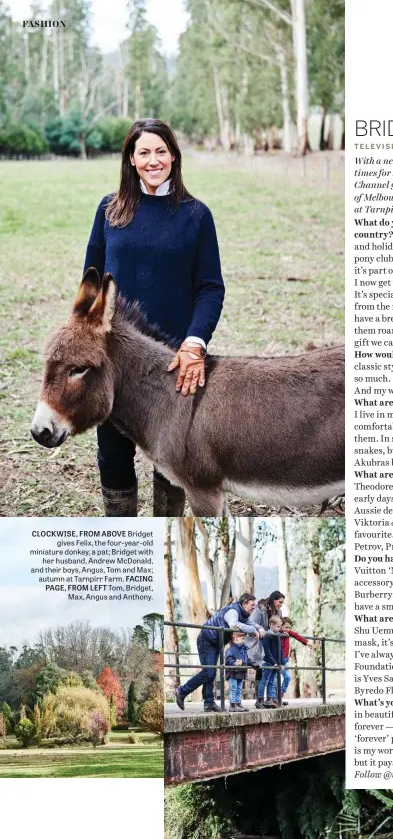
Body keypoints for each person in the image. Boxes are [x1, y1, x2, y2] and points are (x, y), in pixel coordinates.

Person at [83, 118, 225, 517]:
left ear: (174, 156)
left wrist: (195, 343)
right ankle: (123, 538)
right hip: (114, 358)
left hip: (173, 361)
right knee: (112, 456)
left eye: (161, 151)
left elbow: (211, 287)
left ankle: (167, 538)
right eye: (143, 152)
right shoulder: (109, 210)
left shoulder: (195, 215)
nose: (153, 160)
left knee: (173, 462)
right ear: (130, 158)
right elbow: (91, 279)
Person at [175, 593, 264, 713]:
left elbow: (251, 623)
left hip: (216, 642)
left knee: (211, 672)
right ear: (244, 604)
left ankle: (209, 703)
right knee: (208, 671)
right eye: (252, 605)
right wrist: (252, 630)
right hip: (207, 640)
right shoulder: (233, 611)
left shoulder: (244, 614)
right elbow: (234, 624)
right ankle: (182, 691)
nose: (254, 607)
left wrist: (260, 628)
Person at [256, 615, 285, 709]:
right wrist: (274, 663)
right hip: (268, 662)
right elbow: (267, 652)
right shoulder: (267, 635)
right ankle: (260, 700)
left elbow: (280, 650)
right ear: (271, 625)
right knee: (264, 680)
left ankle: (269, 699)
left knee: (272, 681)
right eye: (278, 626)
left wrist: (282, 663)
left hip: (276, 663)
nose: (280, 628)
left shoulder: (277, 635)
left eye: (280, 626)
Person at [279, 617, 313, 698]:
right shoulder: (278, 634)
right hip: (277, 660)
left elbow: (297, 636)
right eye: (286, 627)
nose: (288, 629)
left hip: (284, 660)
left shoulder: (289, 633)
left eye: (289, 627)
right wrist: (281, 633)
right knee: (276, 679)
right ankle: (274, 697)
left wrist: (306, 642)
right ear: (281, 627)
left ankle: (280, 695)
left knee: (287, 677)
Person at [225, 630, 257, 713]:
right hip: (233, 672)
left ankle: (238, 703)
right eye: (242, 638)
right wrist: (234, 663)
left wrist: (253, 663)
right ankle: (232, 705)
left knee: (239, 689)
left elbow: (247, 659)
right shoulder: (231, 649)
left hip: (241, 672)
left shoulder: (244, 649)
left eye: (244, 639)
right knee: (234, 689)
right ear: (235, 638)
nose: (244, 640)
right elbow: (228, 659)